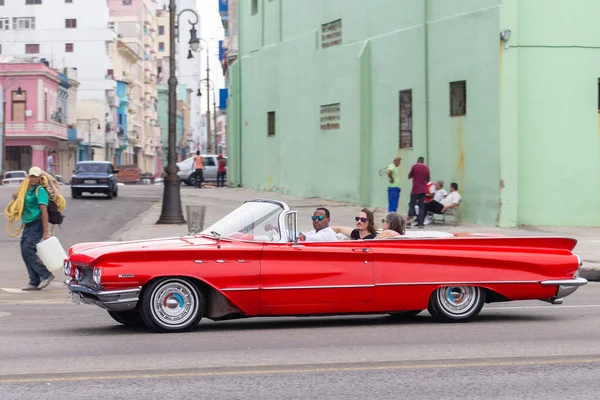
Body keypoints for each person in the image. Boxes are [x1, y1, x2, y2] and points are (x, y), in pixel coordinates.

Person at [9, 167, 56, 290]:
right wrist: (16, 197)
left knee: (28, 249)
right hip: (28, 224)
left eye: (35, 177)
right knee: (24, 251)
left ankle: (46, 274)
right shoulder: (26, 190)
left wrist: (46, 232)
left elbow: (44, 212)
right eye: (31, 176)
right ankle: (34, 281)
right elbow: (22, 204)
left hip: (37, 224)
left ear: (40, 177)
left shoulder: (40, 191)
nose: (33, 179)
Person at [407, 156, 430, 228]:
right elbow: (428, 179)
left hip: (415, 189)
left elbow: (409, 176)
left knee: (412, 205)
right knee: (421, 206)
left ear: (417, 161)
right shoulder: (426, 168)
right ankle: (421, 223)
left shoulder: (414, 166)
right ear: (423, 161)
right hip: (423, 190)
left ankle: (408, 222)